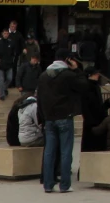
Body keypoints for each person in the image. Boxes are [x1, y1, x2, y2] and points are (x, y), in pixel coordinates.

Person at [36, 48, 88, 193]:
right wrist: (77, 70)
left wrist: (42, 117)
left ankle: (48, 184)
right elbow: (83, 86)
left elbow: (39, 99)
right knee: (66, 151)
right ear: (67, 60)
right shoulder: (68, 75)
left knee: (49, 152)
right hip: (64, 116)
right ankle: (64, 184)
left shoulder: (43, 76)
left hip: (49, 118)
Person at [80, 66, 108, 153]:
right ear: (90, 75)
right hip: (93, 122)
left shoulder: (95, 86)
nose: (98, 75)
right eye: (95, 74)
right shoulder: (88, 87)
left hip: (96, 120)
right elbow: (93, 106)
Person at [0, 29, 15, 100]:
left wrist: (12, 60)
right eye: (4, 33)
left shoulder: (11, 42)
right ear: (2, 34)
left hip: (9, 64)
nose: (6, 35)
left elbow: (13, 53)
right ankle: (1, 95)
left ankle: (4, 88)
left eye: (7, 33)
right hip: (0, 65)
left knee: (9, 78)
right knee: (1, 80)